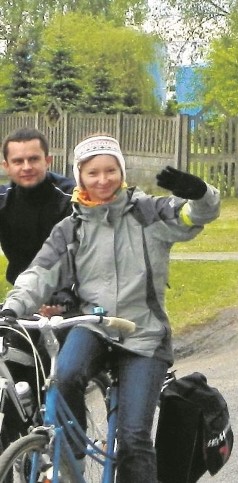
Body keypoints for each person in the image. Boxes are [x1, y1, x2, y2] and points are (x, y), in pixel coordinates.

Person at [1, 134, 221, 481]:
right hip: (94, 326)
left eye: (110, 171)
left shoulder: (149, 213)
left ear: (121, 171)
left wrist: (200, 193)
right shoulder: (71, 227)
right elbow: (40, 273)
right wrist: (12, 308)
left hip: (144, 335)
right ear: (79, 176)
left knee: (133, 438)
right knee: (65, 377)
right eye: (92, 173)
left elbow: (195, 216)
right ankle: (70, 457)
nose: (102, 180)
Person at [0, 127, 75, 285]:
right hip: (22, 292)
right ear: (6, 166)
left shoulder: (71, 198)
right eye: (18, 161)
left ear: (47, 161)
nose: (26, 167)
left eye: (33, 159)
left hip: (69, 293)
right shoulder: (3, 200)